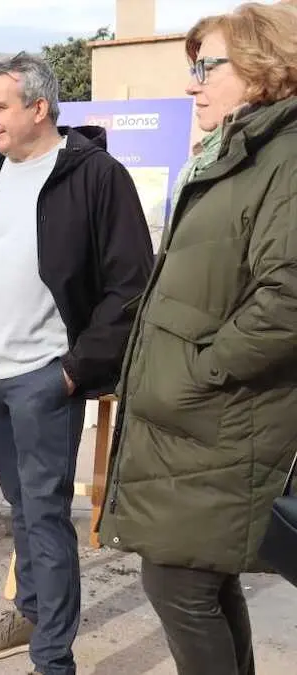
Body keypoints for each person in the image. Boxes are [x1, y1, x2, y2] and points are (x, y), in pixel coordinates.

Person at [99, 4, 297, 674]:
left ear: (262, 66)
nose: (193, 83)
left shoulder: (287, 156)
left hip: (225, 416)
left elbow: (288, 298)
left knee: (178, 582)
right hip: (202, 420)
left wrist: (201, 372)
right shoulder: (244, 151)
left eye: (207, 66)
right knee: (202, 579)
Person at [0, 54, 153, 675]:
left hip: (46, 380)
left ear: (38, 108)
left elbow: (130, 285)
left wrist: (72, 371)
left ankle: (53, 659)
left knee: (44, 515)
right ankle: (33, 612)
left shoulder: (97, 177)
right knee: (22, 507)